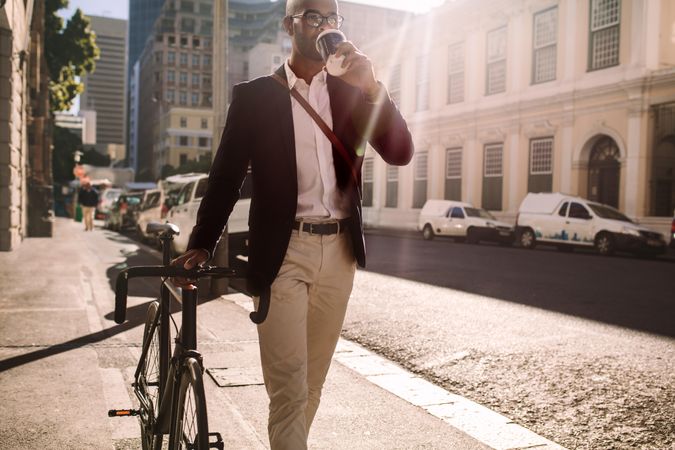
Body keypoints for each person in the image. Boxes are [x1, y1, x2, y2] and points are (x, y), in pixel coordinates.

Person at [172, 0, 413, 447]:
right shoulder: (256, 96)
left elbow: (399, 152)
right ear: (290, 24)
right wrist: (203, 243)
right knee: (288, 389)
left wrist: (373, 87)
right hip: (284, 253)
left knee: (312, 386)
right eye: (313, 17)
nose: (325, 26)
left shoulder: (349, 92)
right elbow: (225, 176)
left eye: (332, 19)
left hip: (339, 254)